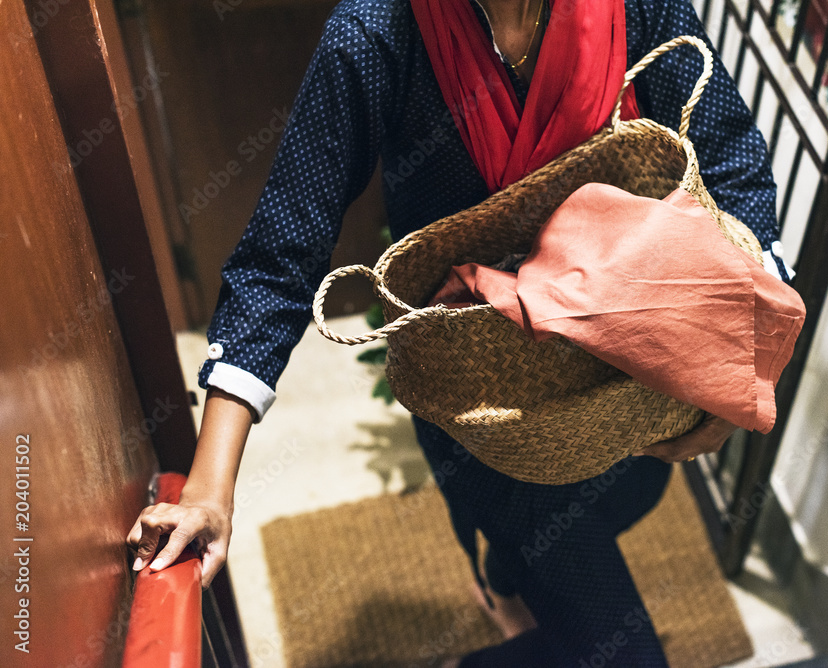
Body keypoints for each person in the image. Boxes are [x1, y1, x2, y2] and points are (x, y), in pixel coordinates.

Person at [128, 0, 790, 665]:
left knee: (635, 493)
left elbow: (733, 165)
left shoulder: (638, 5)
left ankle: (505, 580)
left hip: (623, 369)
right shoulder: (376, 35)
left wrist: (737, 356)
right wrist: (210, 490)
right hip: (487, 401)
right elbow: (279, 257)